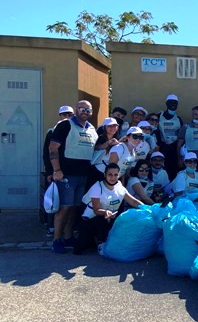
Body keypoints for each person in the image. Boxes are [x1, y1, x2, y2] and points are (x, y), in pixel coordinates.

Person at [49, 100, 99, 253]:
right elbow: (53, 148)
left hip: (82, 175)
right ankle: (57, 240)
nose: (85, 112)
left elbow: (95, 148)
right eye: (82, 109)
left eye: (88, 110)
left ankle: (69, 237)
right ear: (77, 109)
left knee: (73, 208)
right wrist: (56, 169)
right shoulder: (65, 125)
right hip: (66, 174)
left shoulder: (92, 129)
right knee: (64, 207)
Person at [74, 163, 142, 254]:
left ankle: (103, 241)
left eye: (115, 175)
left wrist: (147, 207)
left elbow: (133, 201)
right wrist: (106, 213)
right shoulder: (97, 187)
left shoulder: (119, 186)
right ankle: (100, 243)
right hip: (90, 219)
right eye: (110, 174)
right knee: (79, 248)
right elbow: (96, 210)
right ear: (105, 175)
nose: (113, 177)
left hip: (110, 217)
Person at [43, 105, 74, 236]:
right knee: (54, 200)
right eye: (64, 114)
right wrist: (51, 172)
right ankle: (51, 227)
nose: (67, 117)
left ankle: (66, 232)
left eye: (70, 114)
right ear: (60, 116)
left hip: (69, 172)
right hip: (56, 172)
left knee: (67, 204)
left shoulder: (74, 131)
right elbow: (47, 153)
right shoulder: (52, 131)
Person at [88, 117, 120, 189]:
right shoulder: (100, 138)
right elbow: (96, 147)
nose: (112, 128)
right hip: (96, 171)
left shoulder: (117, 139)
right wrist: (108, 143)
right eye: (109, 126)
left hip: (108, 172)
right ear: (104, 127)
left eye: (115, 125)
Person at [177, 106, 198, 171]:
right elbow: (179, 144)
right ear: (192, 115)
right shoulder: (185, 128)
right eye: (195, 114)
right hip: (189, 160)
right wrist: (179, 159)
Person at [157, 94, 183, 179]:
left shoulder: (178, 119)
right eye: (170, 102)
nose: (173, 104)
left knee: (173, 171)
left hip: (173, 149)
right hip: (161, 148)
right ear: (166, 103)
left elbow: (181, 136)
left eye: (175, 103)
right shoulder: (159, 117)